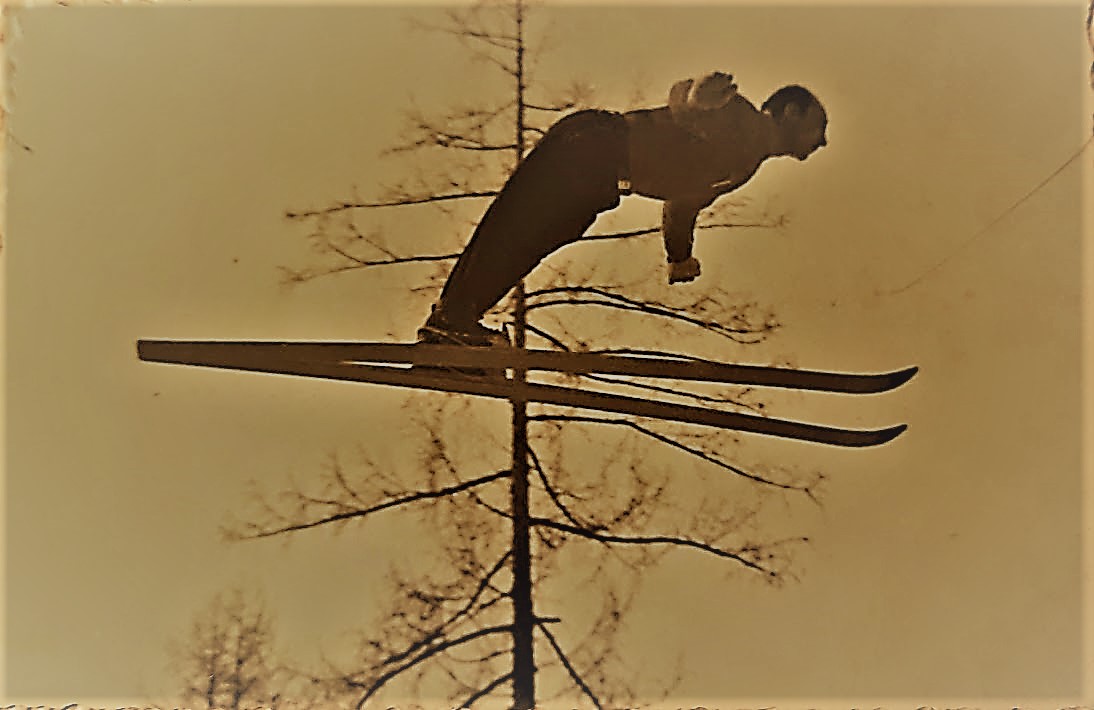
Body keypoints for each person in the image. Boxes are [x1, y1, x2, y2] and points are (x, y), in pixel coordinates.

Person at [418, 71, 828, 346]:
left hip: (596, 166)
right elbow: (688, 101)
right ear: (791, 112)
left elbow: (681, 205)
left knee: (523, 235)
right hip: (595, 147)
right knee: (518, 233)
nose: (821, 142)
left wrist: (679, 257)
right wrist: (696, 95)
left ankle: (453, 322)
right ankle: (454, 320)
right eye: (818, 127)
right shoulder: (743, 121)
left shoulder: (743, 164)